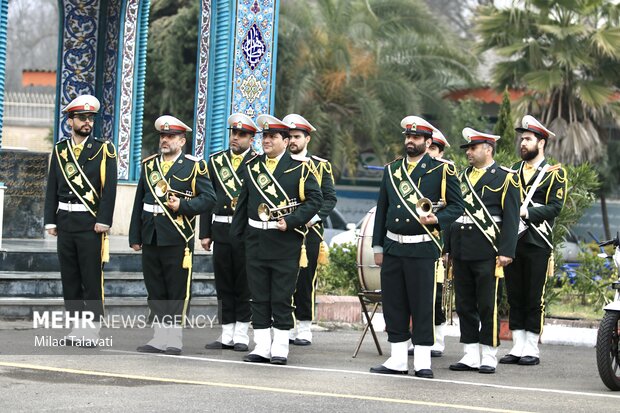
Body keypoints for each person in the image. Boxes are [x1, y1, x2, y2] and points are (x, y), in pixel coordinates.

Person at [371, 116, 463, 378]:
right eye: (407, 137)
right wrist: (378, 246)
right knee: (394, 305)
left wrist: (438, 219)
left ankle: (423, 361)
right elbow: (383, 211)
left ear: (428, 141)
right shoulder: (392, 170)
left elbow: (457, 206)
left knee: (422, 306)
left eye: (416, 138)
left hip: (423, 249)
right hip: (393, 248)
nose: (410, 141)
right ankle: (398, 359)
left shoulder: (442, 170)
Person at [231, 114, 322, 365]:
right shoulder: (252, 167)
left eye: (272, 136)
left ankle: (280, 347)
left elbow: (316, 200)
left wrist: (292, 220)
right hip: (255, 239)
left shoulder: (300, 168)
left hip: (285, 241)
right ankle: (261, 346)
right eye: (265, 136)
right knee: (258, 295)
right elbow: (243, 204)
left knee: (281, 296)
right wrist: (236, 237)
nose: (267, 140)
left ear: (284, 140)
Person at [129, 115, 215, 355]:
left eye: (170, 136)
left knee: (176, 288)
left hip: (177, 236)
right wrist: (134, 236)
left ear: (182, 140)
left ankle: (174, 338)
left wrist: (183, 206)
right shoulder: (149, 165)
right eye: (162, 136)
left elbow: (209, 199)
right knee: (155, 287)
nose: (165, 140)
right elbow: (139, 203)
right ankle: (159, 337)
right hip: (151, 235)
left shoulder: (194, 166)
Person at [44, 94, 117, 346]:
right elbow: (52, 187)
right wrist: (50, 220)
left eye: (90, 118)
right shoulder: (60, 150)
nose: (87, 122)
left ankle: (92, 330)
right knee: (70, 278)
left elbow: (109, 190)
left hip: (90, 223)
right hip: (64, 221)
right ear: (70, 120)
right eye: (82, 118)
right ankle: (76, 328)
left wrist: (104, 219)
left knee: (90, 277)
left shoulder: (103, 149)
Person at [445, 128, 520, 374]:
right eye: (467, 148)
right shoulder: (461, 177)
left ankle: (488, 354)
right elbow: (452, 213)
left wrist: (507, 250)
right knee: (465, 303)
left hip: (488, 250)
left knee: (487, 304)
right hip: (461, 248)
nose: (468, 152)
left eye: (472, 148)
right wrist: (447, 248)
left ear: (487, 149)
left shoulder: (505, 177)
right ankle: (470, 353)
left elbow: (511, 219)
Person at [500, 115, 566, 366]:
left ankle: (532, 348)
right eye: (522, 139)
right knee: (514, 293)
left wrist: (526, 212)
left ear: (541, 143)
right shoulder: (512, 172)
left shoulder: (554, 174)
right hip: (513, 241)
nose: (523, 143)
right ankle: (517, 346)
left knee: (533, 295)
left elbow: (555, 207)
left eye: (528, 139)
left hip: (538, 241)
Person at [200, 113, 259, 352]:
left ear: (251, 139)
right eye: (233, 133)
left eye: (241, 134)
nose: (235, 138)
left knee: (243, 283)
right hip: (221, 228)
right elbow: (207, 199)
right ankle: (226, 333)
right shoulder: (215, 162)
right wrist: (205, 232)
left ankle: (242, 334)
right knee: (223, 283)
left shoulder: (258, 163)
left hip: (245, 230)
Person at [283, 113, 337, 346]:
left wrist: (313, 218)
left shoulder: (320, 165)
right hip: (282, 229)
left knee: (305, 279)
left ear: (307, 139)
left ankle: (304, 327)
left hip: (308, 232)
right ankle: (284, 325)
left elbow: (329, 198)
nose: (292, 141)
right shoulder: (278, 164)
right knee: (282, 279)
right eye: (289, 137)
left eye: (297, 136)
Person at [424, 128, 452, 358]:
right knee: (418, 294)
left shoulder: (446, 175)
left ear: (440, 152)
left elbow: (455, 215)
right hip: (415, 241)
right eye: (428, 148)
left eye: (433, 149)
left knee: (436, 295)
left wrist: (447, 248)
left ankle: (438, 340)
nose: (429, 152)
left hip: (439, 242)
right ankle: (421, 337)